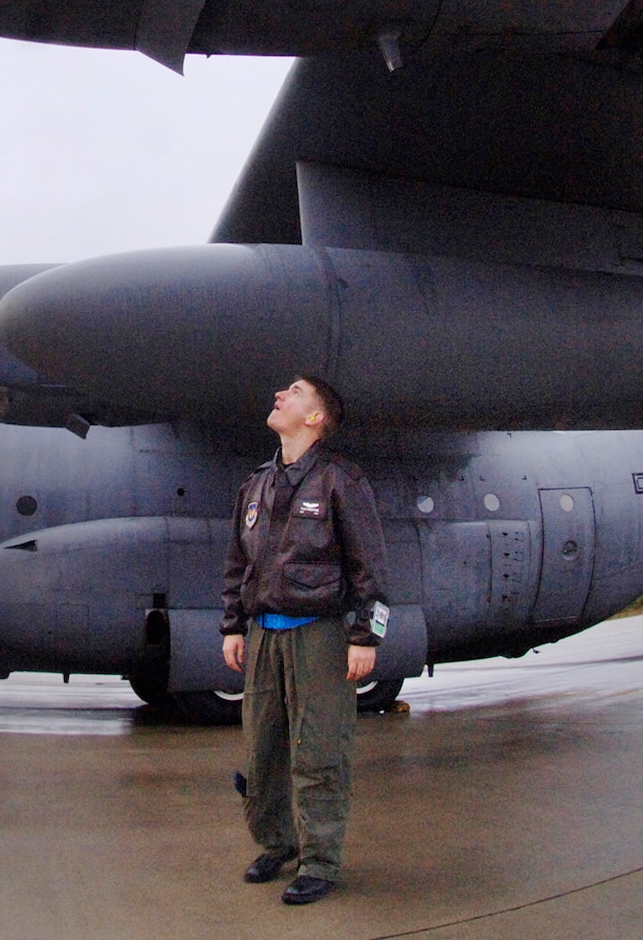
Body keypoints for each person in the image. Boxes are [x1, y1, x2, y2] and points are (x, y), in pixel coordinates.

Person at [220, 373, 388, 906]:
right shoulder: (257, 483)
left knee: (319, 751)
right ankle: (276, 844)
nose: (279, 395)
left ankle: (320, 860)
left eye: (294, 393)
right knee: (262, 750)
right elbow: (237, 563)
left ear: (315, 417)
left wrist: (366, 636)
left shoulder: (341, 480)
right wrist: (232, 625)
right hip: (264, 635)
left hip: (320, 635)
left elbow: (371, 567)